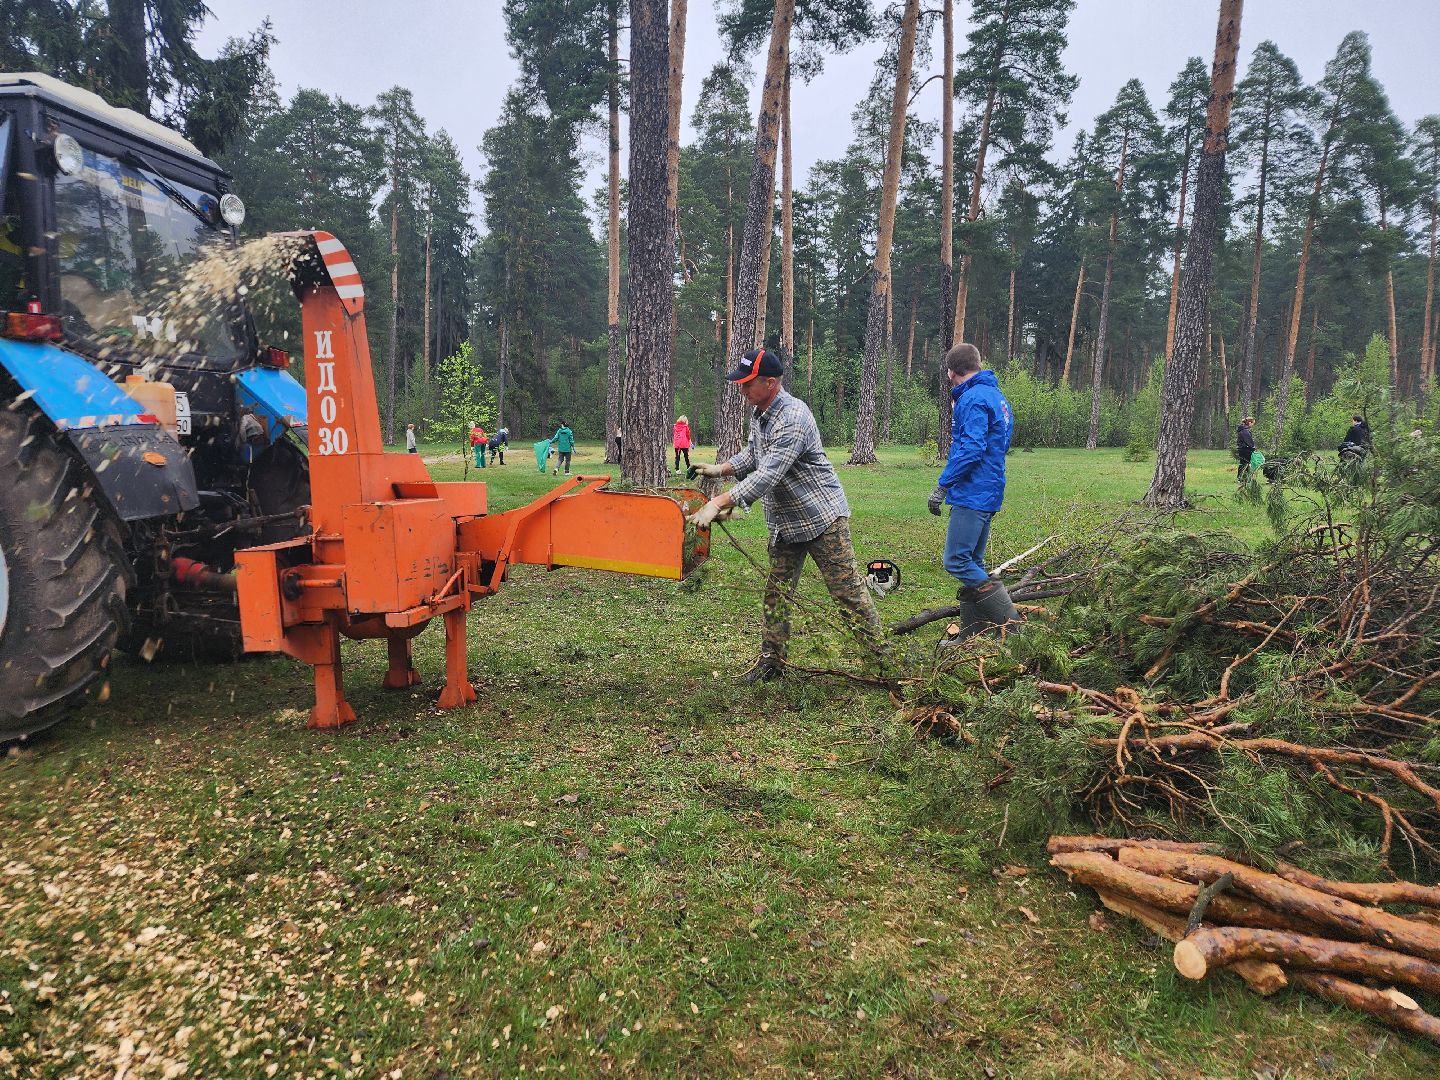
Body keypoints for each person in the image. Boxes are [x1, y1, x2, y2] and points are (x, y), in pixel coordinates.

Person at [689, 348, 885, 684]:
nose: (742, 389)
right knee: (776, 593)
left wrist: (718, 501)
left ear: (770, 383)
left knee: (848, 594)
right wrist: (721, 468)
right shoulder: (761, 413)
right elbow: (755, 454)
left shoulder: (793, 417)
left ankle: (885, 666)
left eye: (748, 383)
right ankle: (772, 661)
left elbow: (769, 473)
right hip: (786, 523)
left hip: (821, 519)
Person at [929, 343, 1019, 637]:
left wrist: (943, 485)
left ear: (950, 372)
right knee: (973, 562)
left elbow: (972, 448)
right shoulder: (996, 396)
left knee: (956, 560)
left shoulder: (972, 398)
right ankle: (972, 635)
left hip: (973, 491)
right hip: (990, 488)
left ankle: (1014, 629)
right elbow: (999, 444)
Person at [1235, 416, 1256, 481]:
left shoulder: (1243, 429)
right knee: (1245, 464)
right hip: (1245, 450)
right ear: (1249, 422)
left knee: (1243, 463)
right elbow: (1249, 442)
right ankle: (1243, 478)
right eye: (1252, 423)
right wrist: (1253, 447)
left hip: (1242, 449)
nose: (1252, 425)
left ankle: (1242, 477)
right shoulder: (1245, 431)